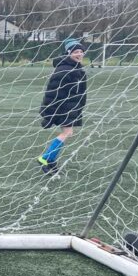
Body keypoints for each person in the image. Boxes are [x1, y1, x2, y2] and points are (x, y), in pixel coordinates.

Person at [37, 38, 87, 175]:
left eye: (81, 52)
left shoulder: (75, 68)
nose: (79, 54)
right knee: (67, 133)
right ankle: (46, 158)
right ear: (69, 53)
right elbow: (54, 93)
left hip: (70, 108)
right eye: (76, 52)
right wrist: (50, 113)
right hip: (63, 108)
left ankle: (51, 160)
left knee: (68, 133)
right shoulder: (65, 69)